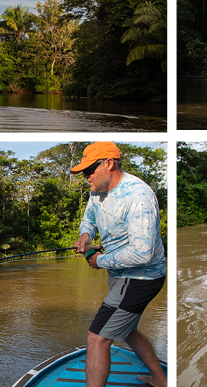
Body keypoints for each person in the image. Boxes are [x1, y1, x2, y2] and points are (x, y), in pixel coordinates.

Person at [70, 141, 167, 387]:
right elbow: (89, 218)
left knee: (96, 338)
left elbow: (142, 253)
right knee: (126, 331)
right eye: (83, 172)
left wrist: (99, 260)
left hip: (140, 279)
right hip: (121, 276)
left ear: (109, 164)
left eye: (89, 170)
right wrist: (85, 235)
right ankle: (160, 379)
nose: (86, 177)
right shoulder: (97, 190)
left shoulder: (138, 196)